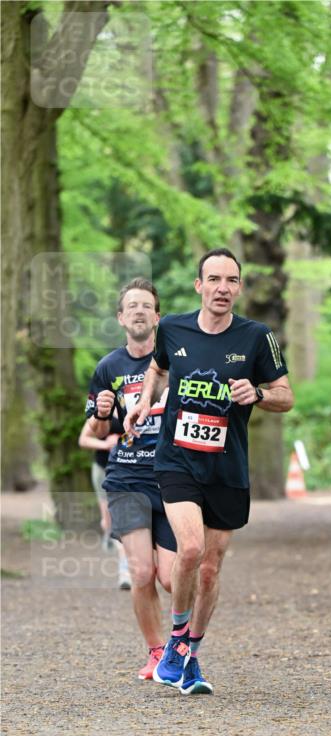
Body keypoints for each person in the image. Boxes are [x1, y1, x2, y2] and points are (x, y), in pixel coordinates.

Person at [125, 247, 294, 695]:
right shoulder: (173, 327)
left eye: (231, 280)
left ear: (239, 287)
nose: (222, 288)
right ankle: (177, 640)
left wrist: (258, 393)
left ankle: (190, 655)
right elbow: (157, 368)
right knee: (191, 548)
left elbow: (286, 395)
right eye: (214, 279)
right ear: (199, 285)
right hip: (177, 459)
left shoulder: (257, 337)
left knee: (210, 570)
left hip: (227, 466)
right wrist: (143, 401)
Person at [85, 278, 177, 680]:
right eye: (132, 306)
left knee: (171, 578)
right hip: (126, 479)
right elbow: (96, 429)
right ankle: (157, 652)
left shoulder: (175, 362)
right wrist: (103, 412)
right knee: (141, 573)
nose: (139, 310)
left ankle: (181, 644)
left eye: (146, 305)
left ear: (157, 317)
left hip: (172, 478)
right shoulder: (108, 367)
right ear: (121, 318)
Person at [78, 414, 131, 590]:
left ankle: (125, 570)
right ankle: (108, 532)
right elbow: (83, 439)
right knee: (109, 522)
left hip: (127, 471)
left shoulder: (136, 406)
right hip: (103, 469)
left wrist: (122, 441)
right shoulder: (102, 409)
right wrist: (106, 444)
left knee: (122, 522)